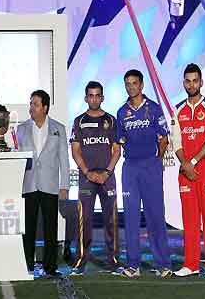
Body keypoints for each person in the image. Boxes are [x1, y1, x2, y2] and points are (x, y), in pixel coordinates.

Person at [114, 69, 171, 278]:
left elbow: (163, 138)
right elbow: (119, 142)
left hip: (151, 167)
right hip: (130, 168)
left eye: (134, 83)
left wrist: (157, 160)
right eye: (127, 84)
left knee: (155, 215)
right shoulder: (121, 112)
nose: (131, 87)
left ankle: (163, 263)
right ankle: (133, 264)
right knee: (130, 217)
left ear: (142, 85)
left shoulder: (154, 109)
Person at [170, 64, 205, 278]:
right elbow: (176, 141)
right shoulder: (178, 109)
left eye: (195, 80)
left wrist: (192, 162)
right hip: (185, 170)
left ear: (201, 82)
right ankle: (191, 264)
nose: (191, 84)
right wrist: (186, 165)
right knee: (189, 218)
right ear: (184, 83)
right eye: (188, 81)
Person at [68, 81, 121, 276]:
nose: (94, 99)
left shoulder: (112, 120)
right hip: (86, 178)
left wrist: (106, 172)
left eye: (97, 95)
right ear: (85, 98)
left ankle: (114, 262)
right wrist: (87, 172)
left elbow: (117, 150)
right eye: (90, 95)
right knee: (85, 220)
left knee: (111, 220)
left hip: (107, 177)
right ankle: (80, 261)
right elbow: (75, 151)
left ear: (102, 98)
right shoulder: (78, 121)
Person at [16, 90, 69, 278]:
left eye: (35, 104)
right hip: (28, 184)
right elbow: (18, 158)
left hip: (50, 184)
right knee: (27, 227)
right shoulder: (20, 129)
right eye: (31, 103)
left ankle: (50, 266)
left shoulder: (58, 128)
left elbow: (64, 158)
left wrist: (65, 186)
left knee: (50, 228)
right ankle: (27, 264)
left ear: (45, 107)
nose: (31, 107)